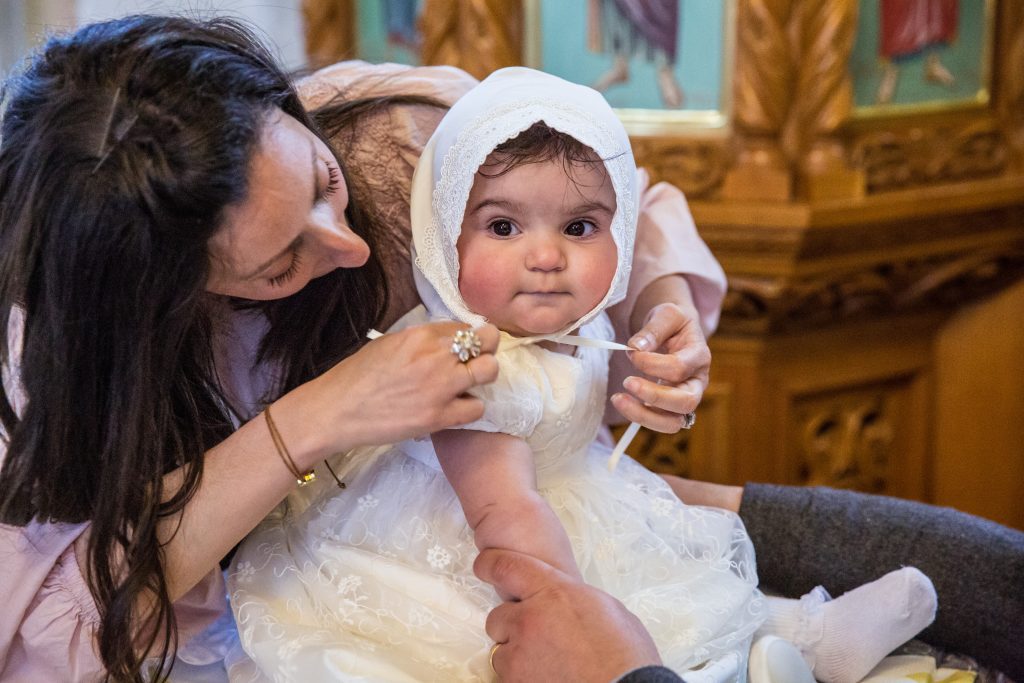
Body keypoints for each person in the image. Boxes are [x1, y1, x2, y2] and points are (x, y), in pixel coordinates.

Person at [0, 15, 726, 681]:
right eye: (279, 264)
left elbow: (619, 198)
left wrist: (666, 304)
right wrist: (324, 412)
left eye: (324, 181)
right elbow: (56, 625)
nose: (347, 247)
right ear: (165, 300)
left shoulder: (403, 127)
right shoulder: (67, 356)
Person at [228, 68, 938, 683]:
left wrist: (663, 344)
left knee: (693, 577)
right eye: (504, 228)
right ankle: (775, 648)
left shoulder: (586, 330)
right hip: (502, 550)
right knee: (655, 610)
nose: (546, 256)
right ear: (444, 237)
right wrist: (577, 611)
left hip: (579, 500)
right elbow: (503, 511)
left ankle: (807, 638)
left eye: (579, 228)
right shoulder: (469, 361)